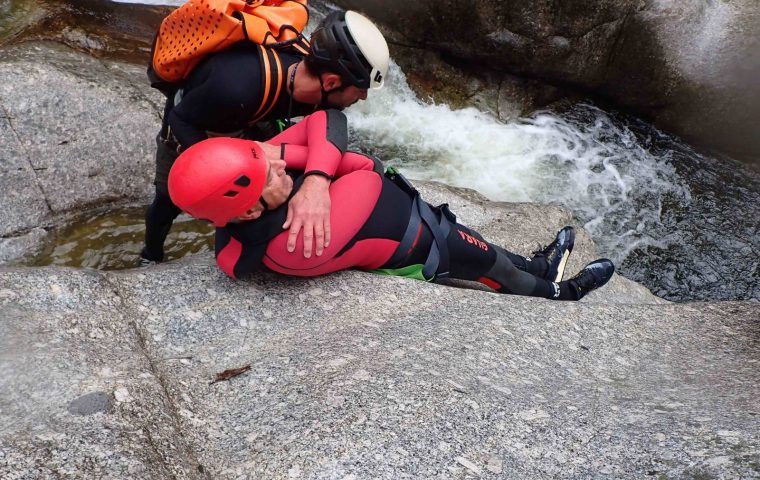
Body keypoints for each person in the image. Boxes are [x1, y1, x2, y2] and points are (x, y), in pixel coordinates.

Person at [167, 110, 615, 300]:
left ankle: (543, 266)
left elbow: (327, 118)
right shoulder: (294, 242)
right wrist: (313, 164)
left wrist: (315, 179)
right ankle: (564, 292)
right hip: (423, 246)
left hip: (411, 222)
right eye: (271, 175)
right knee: (497, 269)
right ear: (247, 211)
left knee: (495, 251)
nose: (280, 167)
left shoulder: (253, 206)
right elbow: (362, 167)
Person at [139, 10, 390, 266]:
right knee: (167, 201)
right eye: (360, 90)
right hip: (194, 121)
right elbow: (180, 118)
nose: (363, 98)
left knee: (277, 175)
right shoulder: (234, 86)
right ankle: (151, 254)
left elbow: (334, 123)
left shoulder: (318, 84)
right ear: (331, 83)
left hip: (251, 116)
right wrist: (221, 168)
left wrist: (316, 181)